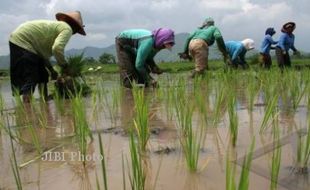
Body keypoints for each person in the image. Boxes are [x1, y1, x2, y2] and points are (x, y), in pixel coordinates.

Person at [9, 11, 86, 103]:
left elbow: (42, 56)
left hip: (27, 43)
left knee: (43, 75)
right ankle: (27, 108)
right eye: (77, 30)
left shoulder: (57, 28)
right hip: (23, 41)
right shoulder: (67, 28)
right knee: (31, 77)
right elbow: (57, 48)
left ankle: (44, 102)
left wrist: (51, 70)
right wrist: (64, 66)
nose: (75, 33)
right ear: (75, 26)